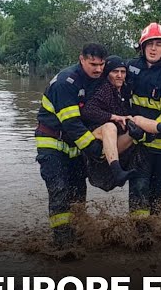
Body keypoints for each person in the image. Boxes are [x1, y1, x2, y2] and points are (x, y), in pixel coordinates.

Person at [35, 43, 108, 248]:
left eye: (102, 65)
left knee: (78, 192)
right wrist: (95, 149)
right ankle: (62, 243)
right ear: (81, 59)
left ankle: (79, 233)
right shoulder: (65, 83)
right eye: (93, 64)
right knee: (59, 190)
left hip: (75, 147)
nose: (98, 69)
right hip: (52, 143)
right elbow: (72, 124)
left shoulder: (96, 80)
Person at [81, 55, 161, 191]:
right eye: (115, 72)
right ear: (107, 74)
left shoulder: (125, 91)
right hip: (99, 140)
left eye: (123, 72)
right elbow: (87, 111)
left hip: (117, 141)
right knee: (110, 127)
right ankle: (117, 171)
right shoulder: (104, 89)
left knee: (136, 120)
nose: (120, 75)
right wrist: (112, 117)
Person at [125, 22, 161, 217]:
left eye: (159, 44)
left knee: (155, 200)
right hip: (138, 146)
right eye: (150, 43)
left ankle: (154, 235)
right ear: (142, 47)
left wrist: (145, 132)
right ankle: (138, 238)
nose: (153, 48)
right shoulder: (130, 68)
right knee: (137, 194)